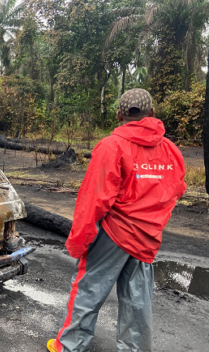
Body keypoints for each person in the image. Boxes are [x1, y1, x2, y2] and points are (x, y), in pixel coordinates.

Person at [46, 88, 187, 352]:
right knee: (137, 298)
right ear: (152, 113)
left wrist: (80, 242)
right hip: (148, 236)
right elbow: (177, 190)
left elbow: (93, 200)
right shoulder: (171, 151)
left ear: (119, 114)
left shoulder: (111, 146)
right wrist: (152, 221)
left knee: (88, 287)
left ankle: (69, 345)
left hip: (113, 233)